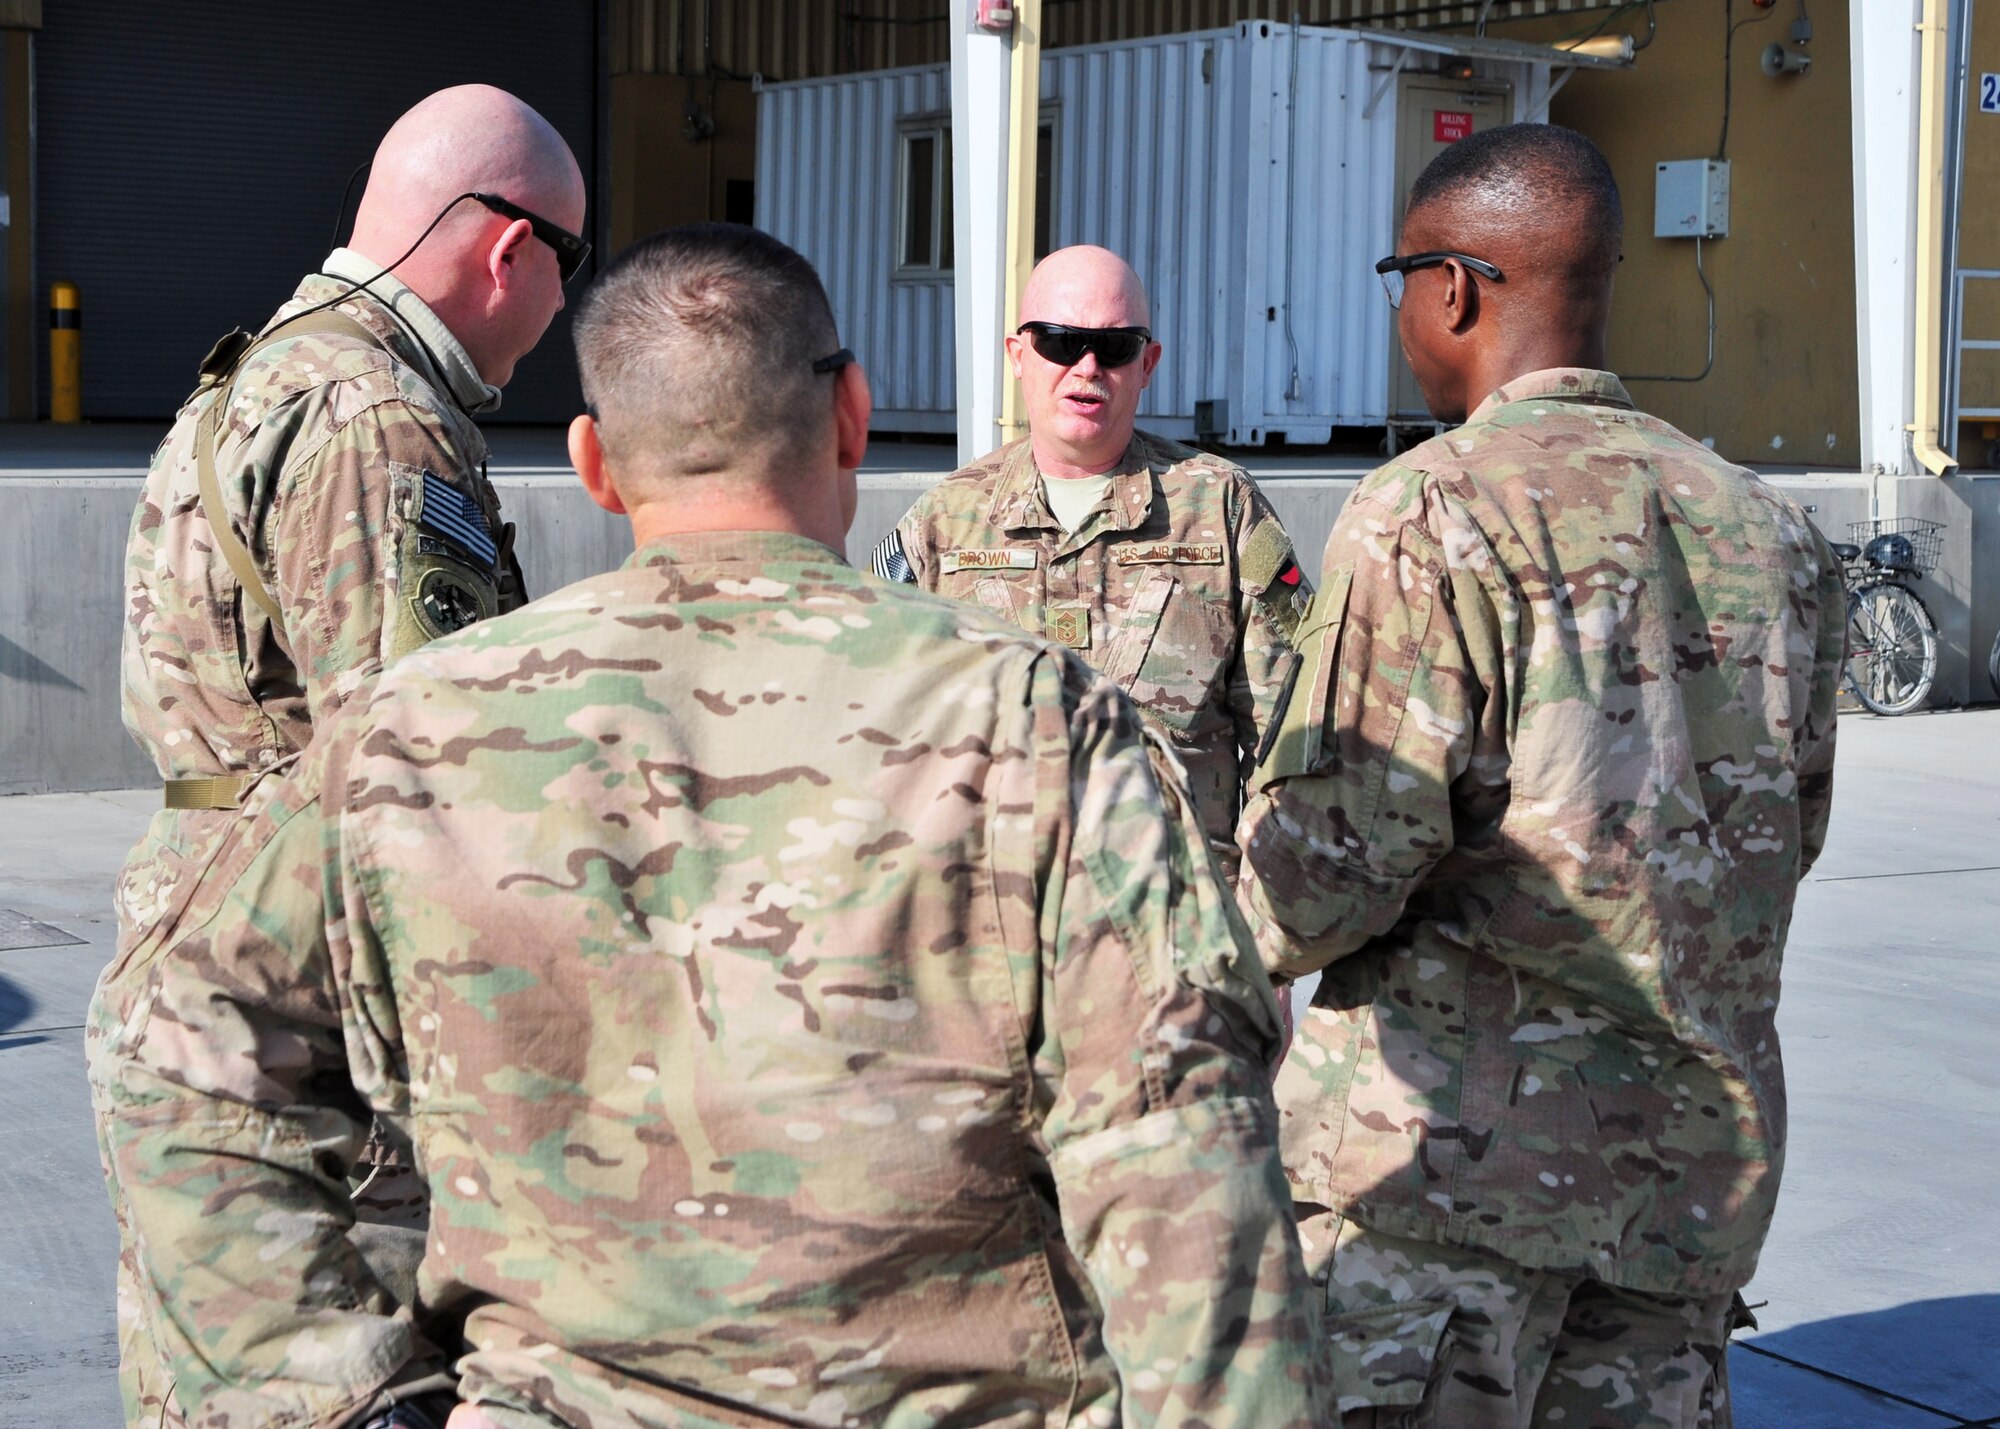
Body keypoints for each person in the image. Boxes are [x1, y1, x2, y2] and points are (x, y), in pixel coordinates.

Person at [99, 223, 1331, 1427]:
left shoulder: (413, 729)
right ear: (850, 416)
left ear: (593, 460)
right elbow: (1180, 1161)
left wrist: (340, 1393)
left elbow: (178, 1060)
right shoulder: (1035, 717)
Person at [1236, 123, 1845, 1427]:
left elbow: (1323, 874)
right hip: (1686, 1190)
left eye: (1401, 274)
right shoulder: (1771, 528)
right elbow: (1787, 833)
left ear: (1452, 288)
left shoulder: (1436, 513)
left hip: (1449, 1207)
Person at [93, 84, 586, 1427]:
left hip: (217, 937)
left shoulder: (263, 372)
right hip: (312, 1007)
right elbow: (415, 776)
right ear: (508, 248)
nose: (562, 313)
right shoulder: (377, 418)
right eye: (572, 264)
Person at [873, 245, 1310, 878]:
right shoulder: (941, 524)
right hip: (993, 921)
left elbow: (1289, 735)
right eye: (1059, 341)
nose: (1087, 367)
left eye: (1114, 347)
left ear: (1147, 363)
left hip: (1178, 921)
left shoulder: (1220, 507)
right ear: (1018, 355)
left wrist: (1267, 930)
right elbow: (888, 734)